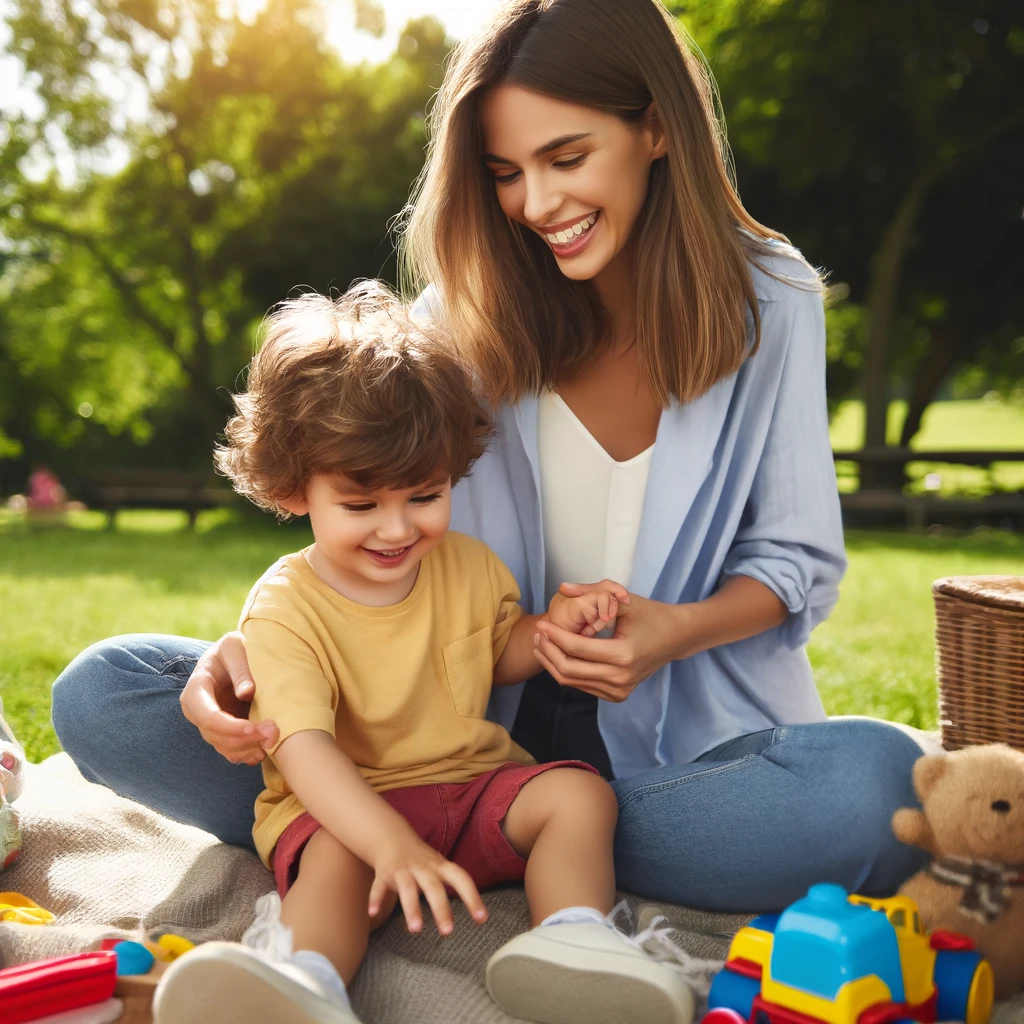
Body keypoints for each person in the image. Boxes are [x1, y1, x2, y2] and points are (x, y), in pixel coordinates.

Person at [52, 0, 927, 923]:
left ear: (657, 127)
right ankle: (423, 826)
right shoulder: (450, 326)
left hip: (672, 760)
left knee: (881, 786)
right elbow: (372, 532)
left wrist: (669, 631)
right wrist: (260, 655)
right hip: (429, 736)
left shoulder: (772, 299)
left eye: (567, 157)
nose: (537, 205)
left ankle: (497, 833)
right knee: (107, 692)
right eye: (507, 173)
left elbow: (795, 565)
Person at [152, 284, 701, 1024]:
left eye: (424, 495)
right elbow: (305, 748)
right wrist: (389, 843)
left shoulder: (469, 566)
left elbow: (492, 653)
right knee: (338, 861)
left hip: (470, 790)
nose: (396, 528)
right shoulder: (285, 605)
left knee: (579, 795)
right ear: (291, 490)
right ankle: (304, 980)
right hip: (350, 810)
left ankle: (575, 941)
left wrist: (547, 630)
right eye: (360, 504)